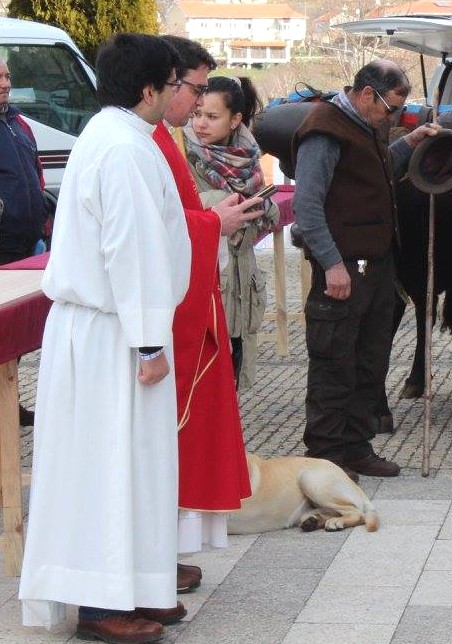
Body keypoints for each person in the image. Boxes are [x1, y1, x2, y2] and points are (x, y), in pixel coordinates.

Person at [18, 34, 191, 643]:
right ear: (148, 89)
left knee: (136, 465)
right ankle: (99, 601)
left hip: (114, 328)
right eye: (174, 84)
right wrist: (149, 342)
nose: (179, 95)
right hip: (112, 333)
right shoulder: (121, 148)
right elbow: (133, 248)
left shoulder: (119, 137)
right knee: (105, 466)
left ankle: (139, 584)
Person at [293, 60, 438, 477]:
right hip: (341, 271)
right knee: (334, 363)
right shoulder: (324, 130)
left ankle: (356, 447)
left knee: (369, 362)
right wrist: (331, 264)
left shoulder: (364, 126)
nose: (391, 116)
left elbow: (377, 172)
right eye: (390, 108)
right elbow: (307, 206)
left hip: (375, 268)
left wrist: (410, 141)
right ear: (367, 93)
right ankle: (325, 457)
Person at [155, 35, 257, 595]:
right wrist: (215, 222)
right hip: (158, 320)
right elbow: (156, 230)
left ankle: (163, 552)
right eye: (191, 90)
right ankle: (150, 558)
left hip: (191, 297)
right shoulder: (136, 142)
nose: (195, 108)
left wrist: (215, 221)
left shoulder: (159, 138)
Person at [184, 75, 278, 390]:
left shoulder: (249, 157)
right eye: (197, 114)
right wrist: (223, 207)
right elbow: (181, 215)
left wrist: (263, 209)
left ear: (235, 119)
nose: (200, 124)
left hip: (241, 290)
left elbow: (264, 217)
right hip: (206, 292)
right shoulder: (182, 155)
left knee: (232, 387)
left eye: (212, 116)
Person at [0, 57, 48, 427]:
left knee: (10, 338)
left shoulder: (18, 124)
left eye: (7, 75)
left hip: (22, 241)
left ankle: (9, 404)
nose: (4, 82)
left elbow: (35, 174)